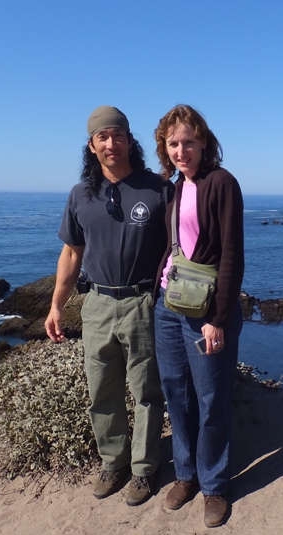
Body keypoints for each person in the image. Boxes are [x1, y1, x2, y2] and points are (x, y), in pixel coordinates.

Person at [45, 106, 171, 507]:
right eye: (103, 137)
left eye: (117, 135)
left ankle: (145, 470)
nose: (111, 143)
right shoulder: (81, 194)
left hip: (143, 303)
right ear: (92, 145)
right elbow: (70, 253)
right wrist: (55, 306)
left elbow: (182, 245)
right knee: (102, 391)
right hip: (96, 303)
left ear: (129, 139)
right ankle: (113, 463)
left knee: (147, 392)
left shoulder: (159, 189)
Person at [153, 105, 244, 528]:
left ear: (204, 141)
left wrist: (218, 318)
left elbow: (231, 256)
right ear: (165, 147)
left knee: (211, 398)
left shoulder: (221, 183)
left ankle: (214, 486)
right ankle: (185, 474)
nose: (181, 149)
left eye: (189, 141)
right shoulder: (173, 188)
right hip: (168, 306)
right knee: (177, 394)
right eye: (173, 143)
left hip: (206, 311)